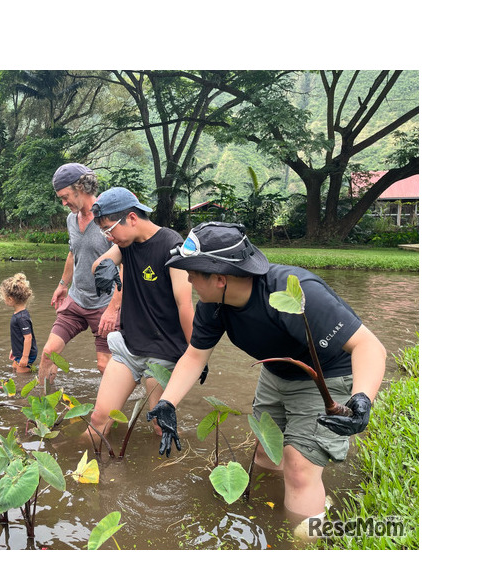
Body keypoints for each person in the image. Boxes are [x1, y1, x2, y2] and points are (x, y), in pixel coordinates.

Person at [147, 222, 386, 524]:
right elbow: (194, 356)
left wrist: (362, 397)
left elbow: (369, 346)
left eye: (193, 272)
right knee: (265, 454)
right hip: (276, 374)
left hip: (324, 376)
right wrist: (167, 403)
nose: (189, 279)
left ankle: (305, 542)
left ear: (220, 278)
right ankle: (265, 518)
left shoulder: (295, 292)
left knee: (299, 467)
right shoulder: (213, 305)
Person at [87, 187, 195, 441]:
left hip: (164, 351)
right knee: (98, 419)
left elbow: (185, 305)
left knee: (160, 425)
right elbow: (98, 264)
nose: (109, 237)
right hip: (130, 345)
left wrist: (193, 353)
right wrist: (103, 269)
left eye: (109, 230)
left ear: (132, 218)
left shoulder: (172, 246)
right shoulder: (126, 244)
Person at [37, 163, 121, 384]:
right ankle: (43, 409)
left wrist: (113, 309)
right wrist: (63, 285)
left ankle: (124, 408)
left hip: (104, 304)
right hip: (76, 299)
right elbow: (73, 253)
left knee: (105, 365)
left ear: (81, 187)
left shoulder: (108, 220)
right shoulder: (70, 220)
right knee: (48, 353)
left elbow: (125, 266)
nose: (64, 203)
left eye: (66, 197)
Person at [0, 272, 38, 374]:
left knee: (22, 379)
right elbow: (18, 336)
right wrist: (14, 350)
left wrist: (25, 357)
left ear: (10, 299)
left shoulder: (22, 318)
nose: (3, 299)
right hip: (19, 352)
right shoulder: (19, 314)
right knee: (14, 369)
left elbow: (28, 338)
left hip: (26, 354)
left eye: (4, 297)